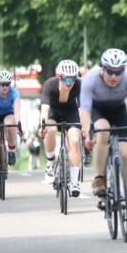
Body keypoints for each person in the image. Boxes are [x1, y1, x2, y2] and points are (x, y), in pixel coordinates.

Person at [80, 48, 127, 223]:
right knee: (103, 130)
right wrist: (87, 135)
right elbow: (85, 110)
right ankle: (99, 178)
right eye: (110, 71)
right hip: (97, 110)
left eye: (118, 72)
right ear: (102, 69)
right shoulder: (90, 79)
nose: (114, 76)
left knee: (125, 154)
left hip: (119, 110)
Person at [39, 59, 84, 193]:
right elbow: (44, 109)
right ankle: (50, 164)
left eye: (72, 79)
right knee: (50, 129)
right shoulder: (49, 85)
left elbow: (82, 109)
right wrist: (42, 125)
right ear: (59, 77)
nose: (69, 83)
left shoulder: (79, 85)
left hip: (71, 112)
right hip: (53, 112)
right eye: (66, 79)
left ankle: (74, 182)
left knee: (75, 141)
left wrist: (84, 128)